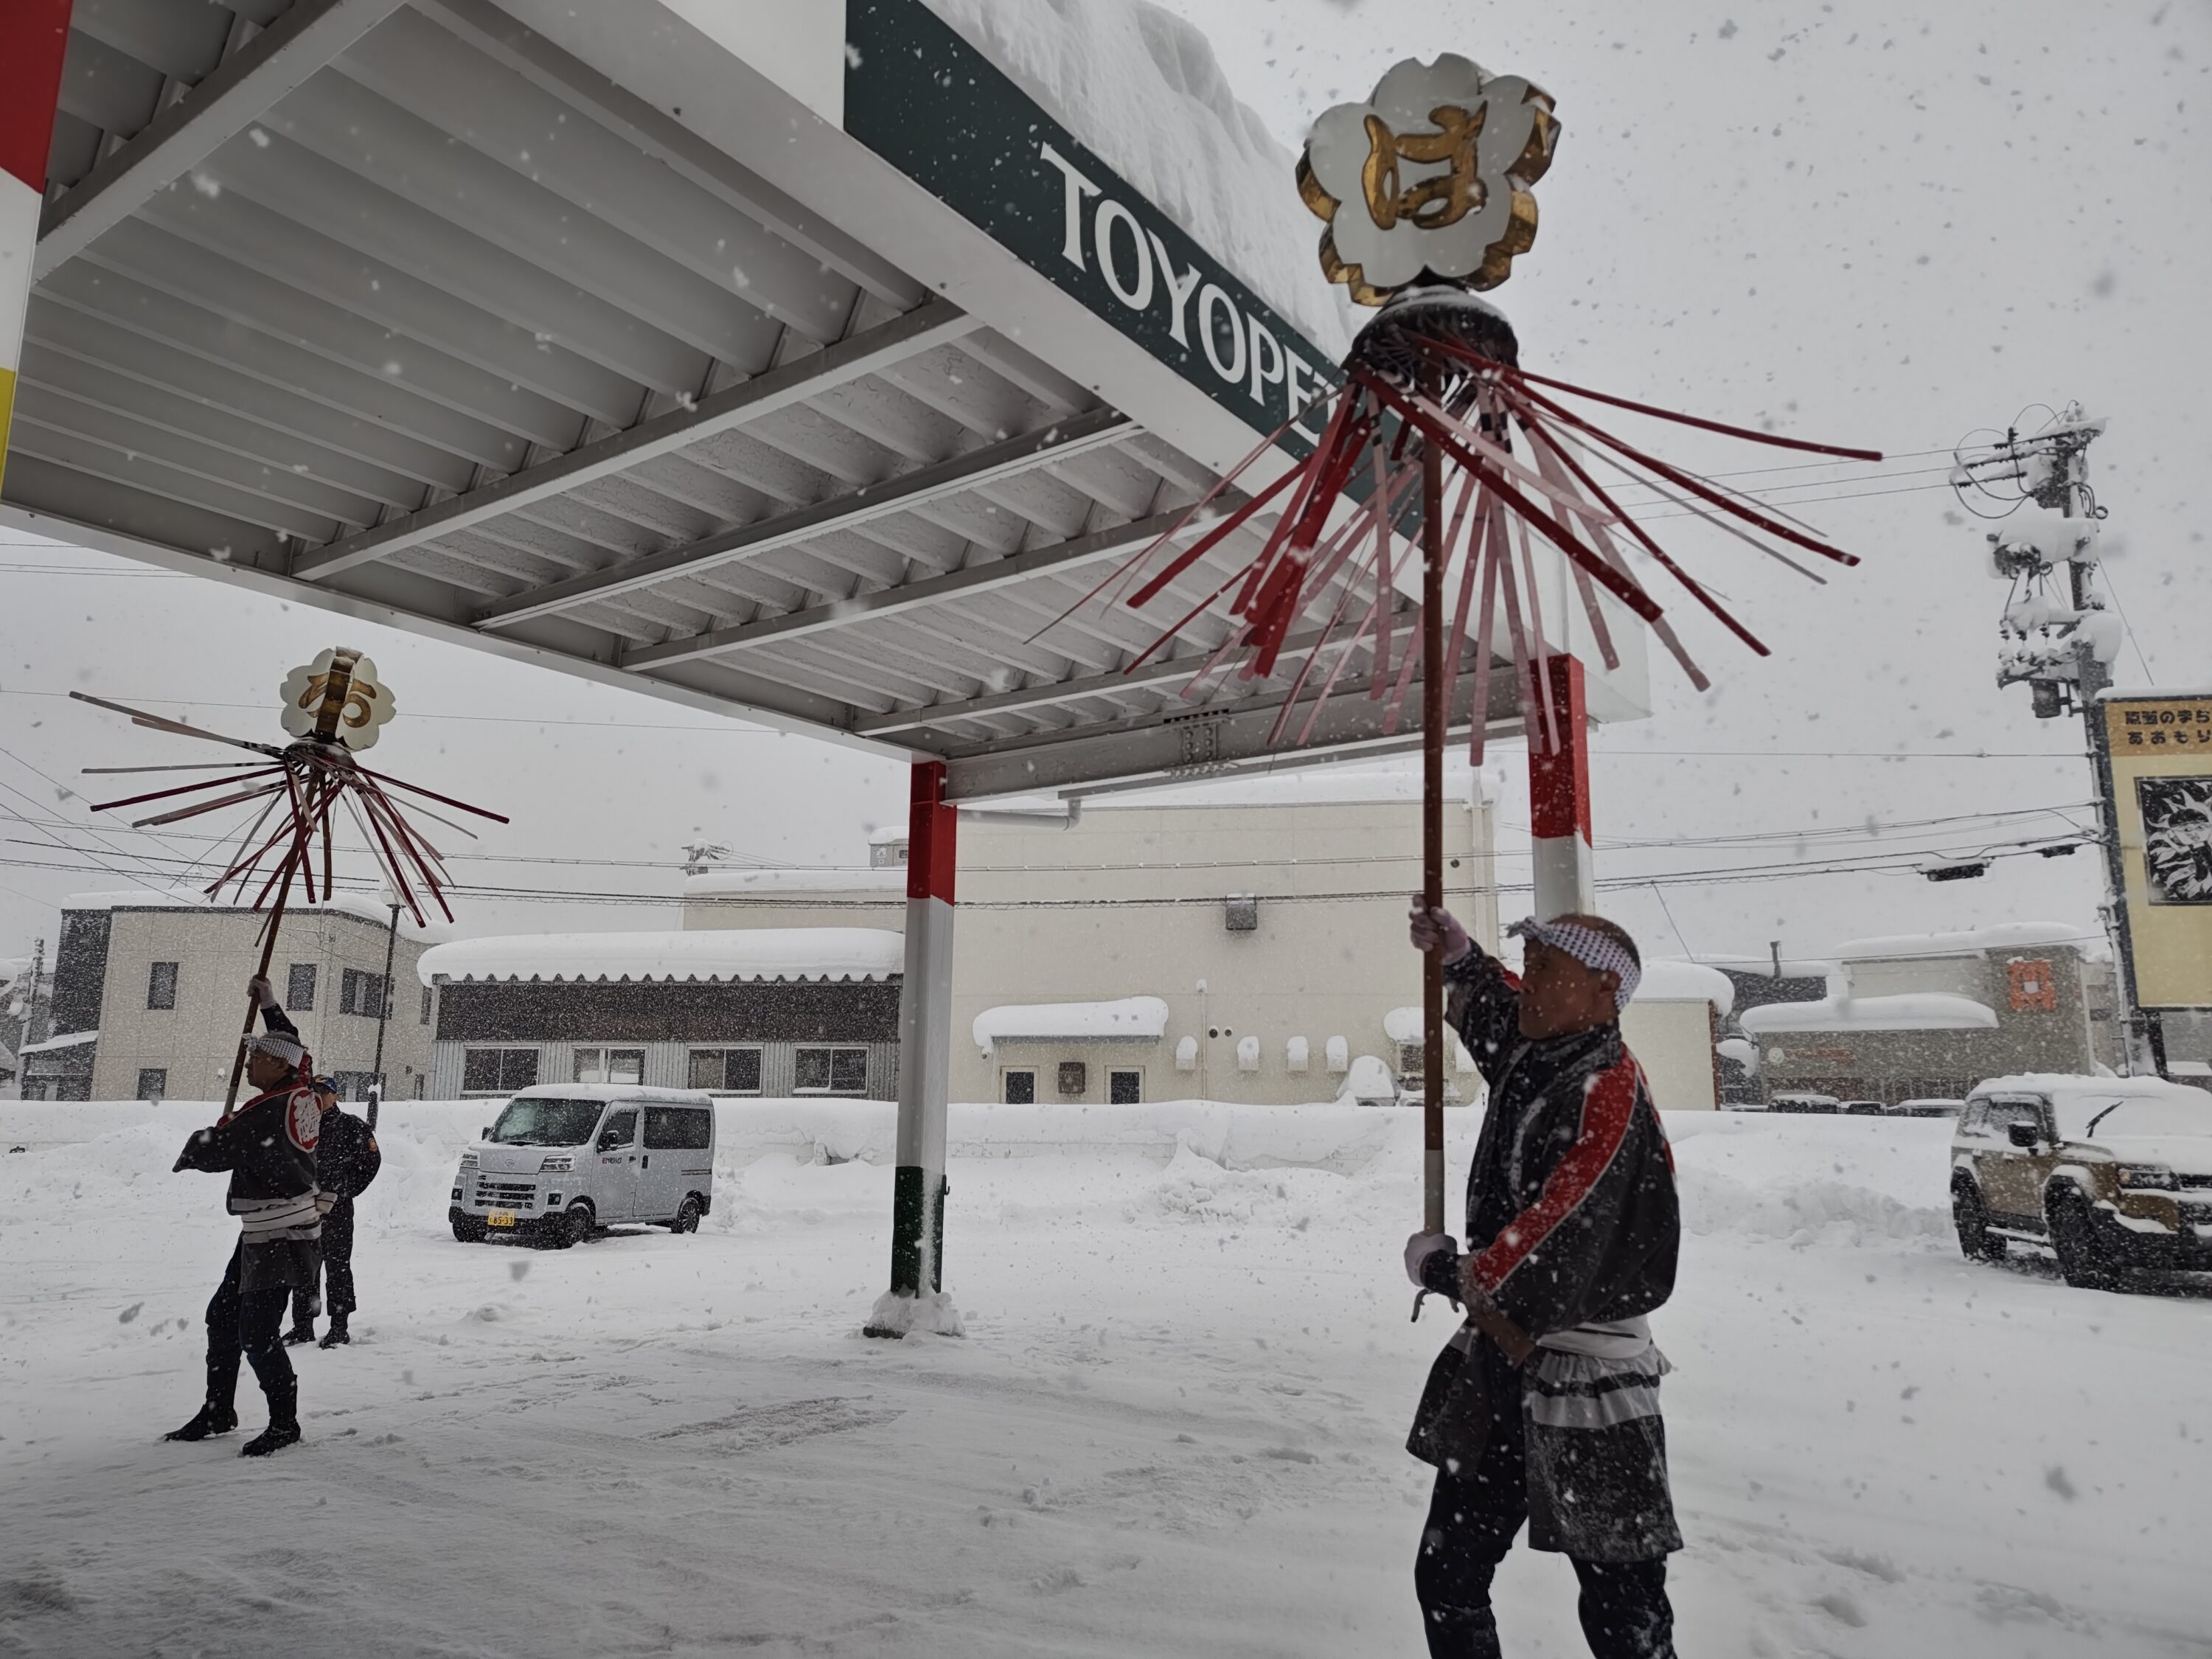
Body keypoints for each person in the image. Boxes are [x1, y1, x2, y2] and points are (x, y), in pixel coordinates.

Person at [1402, 905, 1683, 1659]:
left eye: (1549, 970)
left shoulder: (1607, 1092)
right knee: (1449, 1576)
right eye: (1529, 966)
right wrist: (1461, 957)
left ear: (1604, 990)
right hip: (1504, 1361)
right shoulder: (1542, 1051)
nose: (1529, 983)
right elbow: (1498, 1015)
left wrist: (1443, 1269)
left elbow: (1552, 1246)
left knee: (1625, 1615)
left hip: (1591, 1382)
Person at [164, 975, 323, 1457]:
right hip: (265, 1232)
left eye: (256, 1057)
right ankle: (219, 1409)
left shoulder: (271, 1110)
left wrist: (209, 1136)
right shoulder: (301, 1087)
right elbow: (297, 1049)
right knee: (223, 1316)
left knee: (256, 1332)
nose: (248, 1062)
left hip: (281, 1234)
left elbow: (213, 1153)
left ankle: (285, 1423)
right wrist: (270, 1006)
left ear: (278, 1065)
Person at [285, 1074, 381, 1349]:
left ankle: (339, 1328)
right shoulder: (300, 1127)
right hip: (303, 1209)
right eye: (313, 1092)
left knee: (337, 1268)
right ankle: (302, 1326)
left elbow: (371, 1162)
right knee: (304, 1268)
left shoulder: (352, 1126)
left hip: (337, 1211)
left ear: (335, 1096)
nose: (318, 1097)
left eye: (324, 1092)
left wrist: (344, 1190)